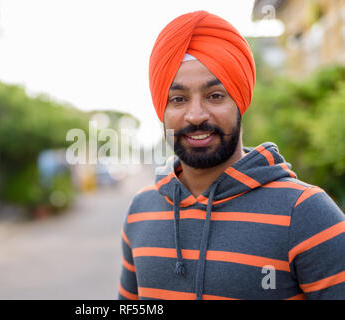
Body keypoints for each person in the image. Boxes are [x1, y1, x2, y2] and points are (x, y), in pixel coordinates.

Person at [118, 10, 345, 300]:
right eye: (178, 99)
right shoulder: (140, 211)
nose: (196, 115)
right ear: (162, 111)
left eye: (215, 95)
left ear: (240, 99)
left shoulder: (305, 213)